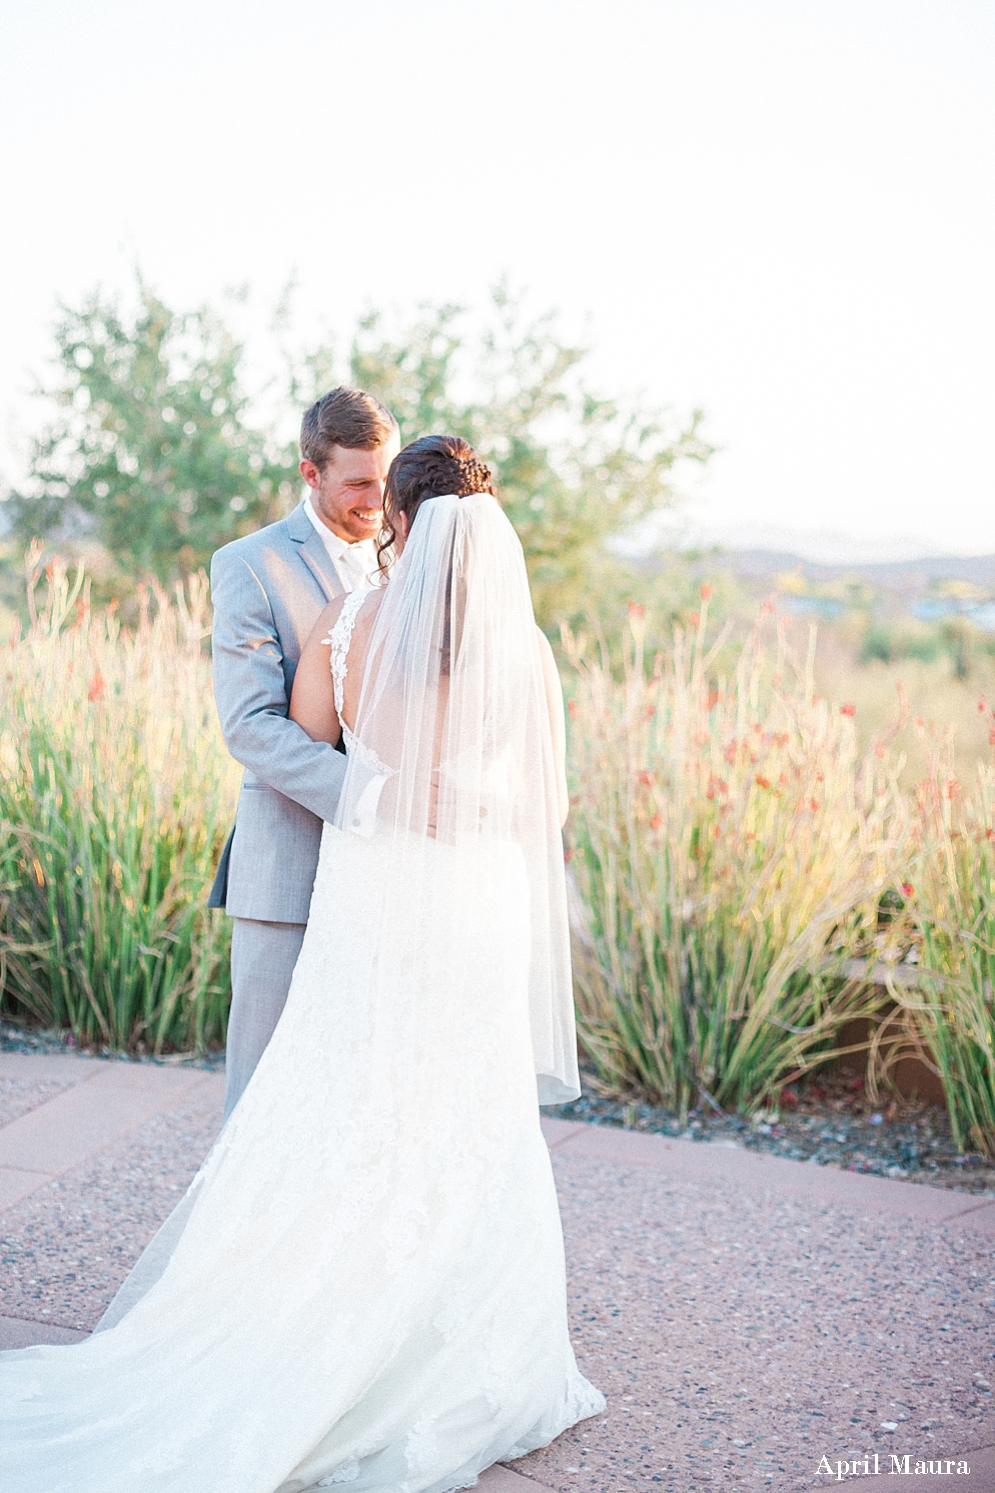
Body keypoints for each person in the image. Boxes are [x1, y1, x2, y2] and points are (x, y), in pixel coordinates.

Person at [0, 434, 604, 1491]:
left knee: (350, 1095)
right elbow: (542, 808)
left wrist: (384, 784)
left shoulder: (354, 618)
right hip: (473, 906)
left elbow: (307, 738)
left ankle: (305, 1316)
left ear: (404, 525)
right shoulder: (527, 649)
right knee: (463, 1105)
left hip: (376, 896)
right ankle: (454, 1341)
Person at [209, 386, 399, 1117]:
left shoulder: (407, 562)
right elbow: (251, 725)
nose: (375, 500)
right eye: (356, 482)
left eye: (384, 480)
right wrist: (372, 796)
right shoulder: (249, 564)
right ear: (309, 473)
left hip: (383, 875)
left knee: (351, 1090)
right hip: (287, 861)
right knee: (261, 1096)